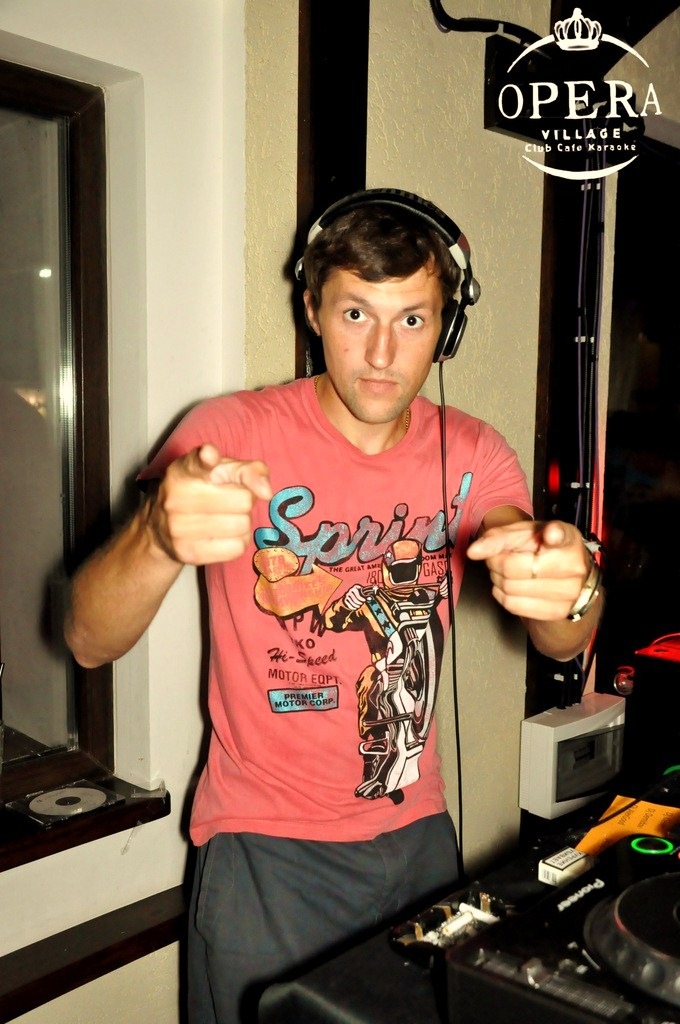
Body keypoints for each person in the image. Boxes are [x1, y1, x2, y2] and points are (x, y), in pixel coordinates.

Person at [64, 188, 603, 1023]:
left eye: (412, 320)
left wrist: (570, 582)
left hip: (421, 839)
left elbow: (562, 635)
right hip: (266, 849)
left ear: (447, 329)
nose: (383, 353)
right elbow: (86, 638)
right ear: (313, 308)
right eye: (356, 313)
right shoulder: (230, 433)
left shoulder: (473, 451)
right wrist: (156, 538)